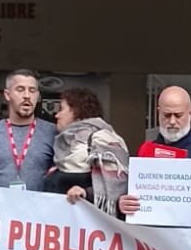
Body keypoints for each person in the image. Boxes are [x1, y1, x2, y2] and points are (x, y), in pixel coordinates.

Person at [118, 85, 191, 224]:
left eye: (178, 115)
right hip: (152, 238)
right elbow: (130, 194)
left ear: (190, 113)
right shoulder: (145, 151)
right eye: (167, 115)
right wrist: (123, 203)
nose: (172, 121)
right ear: (158, 113)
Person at [42, 87, 130, 216]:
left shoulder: (103, 139)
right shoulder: (63, 144)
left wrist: (86, 193)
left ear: (77, 111)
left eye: (61, 109)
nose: (57, 115)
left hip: (92, 226)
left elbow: (117, 188)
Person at [0, 70, 56, 191]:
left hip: (39, 208)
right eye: (20, 89)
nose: (27, 95)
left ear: (38, 96)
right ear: (7, 95)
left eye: (32, 90)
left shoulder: (53, 132)